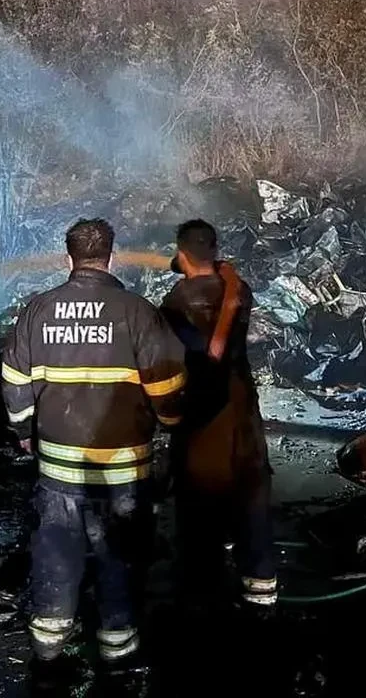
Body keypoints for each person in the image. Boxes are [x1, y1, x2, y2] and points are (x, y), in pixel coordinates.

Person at [1, 218, 187, 668]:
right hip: (124, 466)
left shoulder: (38, 310)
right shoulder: (138, 312)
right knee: (119, 552)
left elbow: (14, 381)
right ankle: (117, 646)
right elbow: (167, 386)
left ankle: (48, 644)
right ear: (111, 256)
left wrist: (24, 432)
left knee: (56, 548)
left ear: (69, 258)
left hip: (58, 465)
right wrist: (170, 423)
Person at [161, 219, 277, 609]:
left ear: (182, 253)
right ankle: (261, 580)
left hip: (201, 407)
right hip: (242, 406)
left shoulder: (176, 300)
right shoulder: (239, 290)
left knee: (198, 495)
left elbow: (177, 352)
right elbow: (227, 290)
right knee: (251, 486)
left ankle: (203, 591)